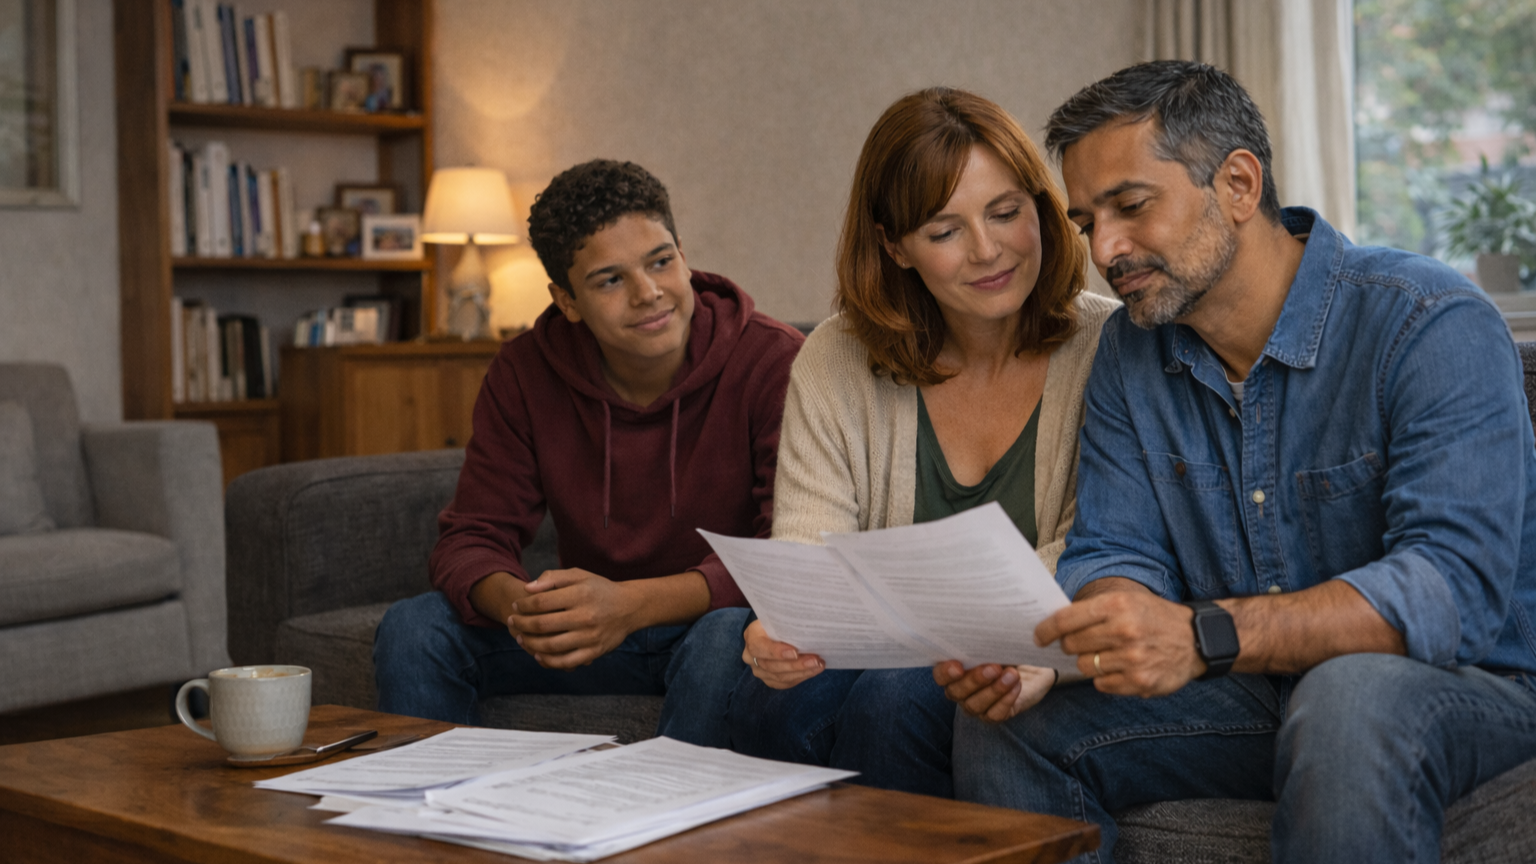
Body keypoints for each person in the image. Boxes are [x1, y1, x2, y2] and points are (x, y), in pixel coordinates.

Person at [941, 60, 1536, 864]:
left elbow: (1449, 589)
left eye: (1131, 205)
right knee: (1007, 724)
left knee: (1349, 694)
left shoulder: (1427, 323)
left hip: (1472, 687)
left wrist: (1201, 634)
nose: (1105, 250)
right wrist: (1084, 643)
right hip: (1262, 690)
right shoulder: (1130, 351)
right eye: (1086, 223)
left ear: (1239, 184)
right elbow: (1120, 553)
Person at [688, 87, 1117, 798]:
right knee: (730, 647)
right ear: (895, 246)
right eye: (944, 231)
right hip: (876, 650)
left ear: (1043, 208)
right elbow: (808, 542)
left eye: (1007, 213)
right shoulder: (835, 355)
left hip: (1026, 649)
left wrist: (923, 621)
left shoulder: (1109, 345)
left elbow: (1097, 546)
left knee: (893, 701)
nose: (988, 251)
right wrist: (784, 626)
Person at [373, 159, 804, 745]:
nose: (648, 293)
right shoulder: (525, 372)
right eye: (610, 280)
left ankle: (675, 827)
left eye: (661, 261)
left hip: (709, 628)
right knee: (414, 626)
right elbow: (471, 537)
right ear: (566, 299)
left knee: (726, 636)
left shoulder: (773, 361)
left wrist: (630, 604)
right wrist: (526, 610)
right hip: (593, 638)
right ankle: (436, 824)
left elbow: (788, 552)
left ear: (683, 251)